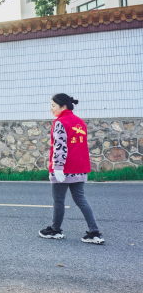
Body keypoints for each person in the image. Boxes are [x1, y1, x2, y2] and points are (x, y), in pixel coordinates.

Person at [38, 94, 104, 244]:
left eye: (53, 105)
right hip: (79, 167)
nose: (51, 108)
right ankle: (94, 232)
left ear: (63, 107)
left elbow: (60, 146)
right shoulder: (80, 122)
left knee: (59, 200)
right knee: (81, 199)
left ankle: (55, 230)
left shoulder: (60, 122)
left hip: (64, 168)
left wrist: (58, 167)